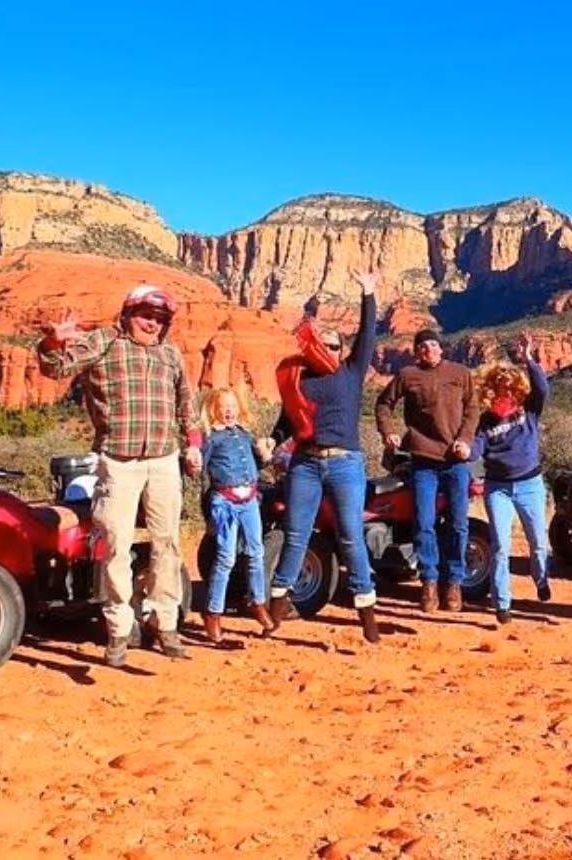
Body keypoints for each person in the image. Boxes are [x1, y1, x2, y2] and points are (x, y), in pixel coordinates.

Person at [36, 284, 201, 668]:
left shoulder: (170, 353)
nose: (152, 324)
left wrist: (193, 444)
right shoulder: (105, 341)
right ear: (127, 314)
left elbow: (186, 403)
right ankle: (118, 630)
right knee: (114, 545)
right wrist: (53, 342)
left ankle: (166, 623)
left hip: (164, 460)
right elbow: (55, 368)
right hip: (118, 461)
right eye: (145, 315)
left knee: (167, 544)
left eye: (159, 319)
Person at [269, 269, 380, 642]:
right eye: (323, 344)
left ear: (342, 351)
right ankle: (277, 604)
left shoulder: (351, 371)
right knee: (295, 534)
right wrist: (271, 441)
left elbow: (368, 334)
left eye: (334, 346)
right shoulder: (300, 380)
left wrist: (368, 293)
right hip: (305, 463)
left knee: (350, 535)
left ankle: (366, 608)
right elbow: (286, 422)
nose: (328, 350)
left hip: (345, 463)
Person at [375, 327, 479, 613]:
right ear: (417, 351)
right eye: (422, 346)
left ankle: (454, 582)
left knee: (458, 523)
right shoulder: (408, 375)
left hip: (456, 461)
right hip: (422, 460)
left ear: (441, 348)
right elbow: (383, 404)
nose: (428, 349)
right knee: (423, 522)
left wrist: (465, 439)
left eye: (433, 344)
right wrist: (388, 431)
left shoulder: (460, 373)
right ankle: (429, 582)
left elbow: (473, 409)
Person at [470, 333, 552, 625]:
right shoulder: (485, 422)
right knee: (501, 547)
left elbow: (542, 388)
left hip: (531, 484)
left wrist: (528, 358)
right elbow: (475, 450)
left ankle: (540, 578)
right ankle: (502, 603)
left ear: (516, 388)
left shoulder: (528, 409)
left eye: (508, 387)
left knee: (538, 541)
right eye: (498, 387)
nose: (503, 392)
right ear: (490, 390)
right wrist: (462, 449)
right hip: (498, 489)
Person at [198, 387, 276, 644]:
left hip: (250, 500)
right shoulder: (211, 438)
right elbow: (201, 474)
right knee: (226, 557)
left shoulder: (244, 434)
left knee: (256, 552)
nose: (229, 411)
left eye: (232, 406)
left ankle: (257, 602)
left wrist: (265, 453)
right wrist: (207, 514)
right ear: (214, 410)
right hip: (224, 502)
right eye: (223, 407)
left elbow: (257, 463)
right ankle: (213, 612)